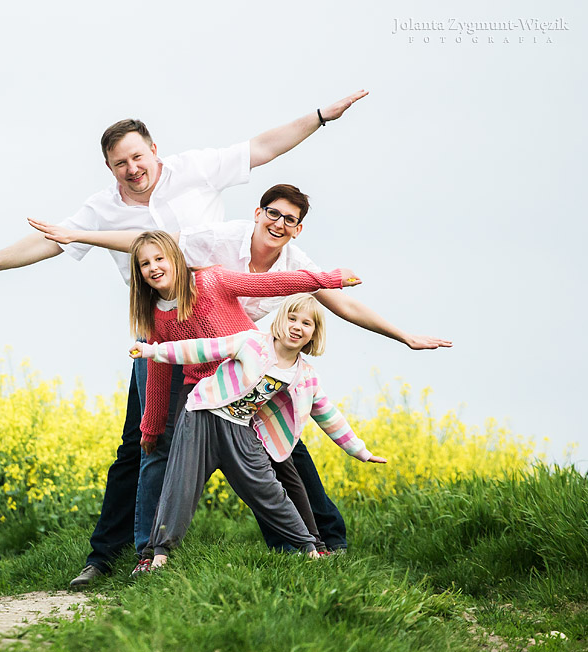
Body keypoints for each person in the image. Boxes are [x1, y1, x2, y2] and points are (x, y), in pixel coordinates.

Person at [0, 92, 370, 588]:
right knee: (143, 445)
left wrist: (320, 117)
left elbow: (263, 147)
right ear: (108, 167)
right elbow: (50, 241)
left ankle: (318, 541)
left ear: (154, 151)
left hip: (225, 334)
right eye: (120, 163)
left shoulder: (195, 170)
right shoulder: (101, 209)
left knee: (279, 436)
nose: (132, 168)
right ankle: (112, 556)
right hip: (160, 338)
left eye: (138, 157)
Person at [29, 183, 450, 555]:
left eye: (290, 219)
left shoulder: (261, 269)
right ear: (258, 212)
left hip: (245, 365)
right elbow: (151, 255)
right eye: (273, 213)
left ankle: (313, 542)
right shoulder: (213, 248)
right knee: (152, 449)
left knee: (284, 452)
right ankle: (142, 550)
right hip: (195, 366)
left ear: (298, 228)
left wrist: (394, 328)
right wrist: (78, 234)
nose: (280, 223)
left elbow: (289, 287)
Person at [133, 293, 386, 570]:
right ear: (280, 320)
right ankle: (158, 555)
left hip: (240, 430)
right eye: (292, 318)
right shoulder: (251, 343)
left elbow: (328, 415)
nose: (297, 327)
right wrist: (152, 352)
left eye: (306, 323)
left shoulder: (306, 376)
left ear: (314, 334)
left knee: (270, 490)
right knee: (181, 485)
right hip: (202, 417)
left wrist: (360, 450)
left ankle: (310, 549)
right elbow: (203, 349)